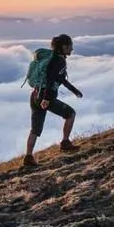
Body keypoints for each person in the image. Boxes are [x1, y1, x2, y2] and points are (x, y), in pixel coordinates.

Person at [24, 34, 82, 168]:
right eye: (70, 46)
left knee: (35, 129)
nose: (72, 49)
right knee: (70, 114)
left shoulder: (52, 58)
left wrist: (74, 90)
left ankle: (28, 157)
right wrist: (46, 99)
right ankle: (65, 143)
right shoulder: (59, 61)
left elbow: (60, 79)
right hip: (45, 97)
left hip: (35, 95)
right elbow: (51, 79)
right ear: (64, 47)